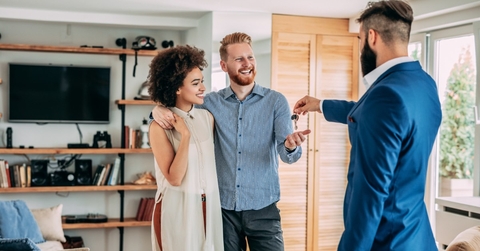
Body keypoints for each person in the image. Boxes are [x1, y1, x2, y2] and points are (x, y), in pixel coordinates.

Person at [293, 1, 441, 250]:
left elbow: (370, 194)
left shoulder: (385, 95)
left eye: (360, 39)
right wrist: (321, 105)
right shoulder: (424, 84)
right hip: (416, 236)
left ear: (371, 37)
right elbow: (379, 118)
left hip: (385, 240)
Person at [152, 32, 311, 251]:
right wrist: (157, 109)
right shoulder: (208, 104)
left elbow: (287, 155)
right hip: (223, 211)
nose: (247, 64)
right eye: (239, 59)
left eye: (251, 57)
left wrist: (291, 146)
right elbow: (178, 103)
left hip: (264, 209)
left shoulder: (276, 102)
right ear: (224, 66)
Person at [148, 45, 223, 251]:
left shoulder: (207, 118)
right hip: (176, 207)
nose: (203, 88)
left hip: (208, 207)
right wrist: (185, 136)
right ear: (177, 87)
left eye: (202, 81)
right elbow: (174, 178)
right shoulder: (159, 126)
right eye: (195, 83)